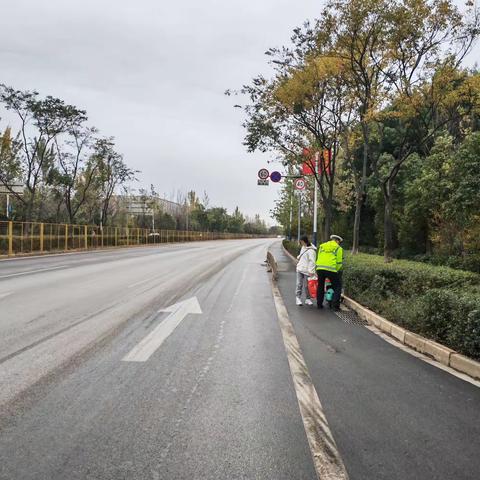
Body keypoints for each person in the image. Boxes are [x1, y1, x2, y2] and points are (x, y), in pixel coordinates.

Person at [316, 234, 343, 311]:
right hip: (331, 269)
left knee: (320, 285)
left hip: (320, 268)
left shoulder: (322, 246)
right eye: (339, 242)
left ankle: (319, 304)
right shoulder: (338, 248)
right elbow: (339, 263)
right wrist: (336, 271)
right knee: (337, 286)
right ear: (337, 241)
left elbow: (318, 257)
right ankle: (335, 306)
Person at [296, 235, 317, 306]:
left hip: (307, 271)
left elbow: (312, 261)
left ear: (303, 241)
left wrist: (311, 271)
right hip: (300, 269)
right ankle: (298, 298)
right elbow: (301, 255)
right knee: (299, 284)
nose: (300, 243)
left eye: (300, 241)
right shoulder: (303, 247)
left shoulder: (311, 250)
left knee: (307, 286)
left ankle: (308, 299)